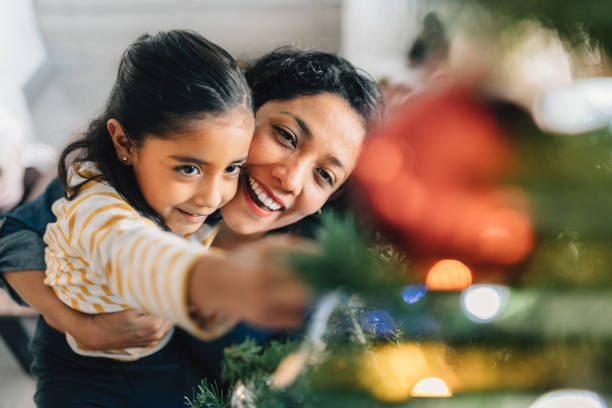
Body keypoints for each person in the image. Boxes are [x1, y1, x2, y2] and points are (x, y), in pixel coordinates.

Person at [0, 47, 384, 406]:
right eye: (285, 136)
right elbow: (18, 234)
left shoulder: (316, 268)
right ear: (245, 108)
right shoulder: (139, 169)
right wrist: (75, 323)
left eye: (324, 175)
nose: (291, 179)